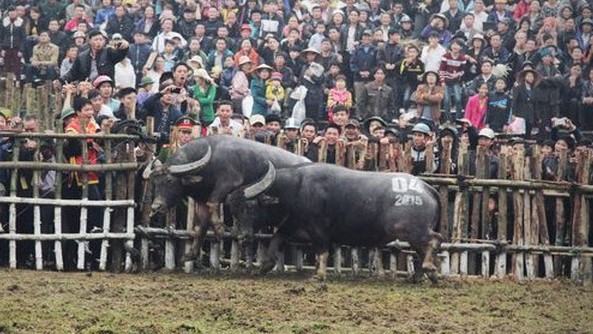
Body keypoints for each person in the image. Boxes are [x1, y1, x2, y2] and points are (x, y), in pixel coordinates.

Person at [61, 29, 129, 83]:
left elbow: (120, 55)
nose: (99, 42)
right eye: (96, 39)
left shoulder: (109, 52)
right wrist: (61, 80)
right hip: (87, 86)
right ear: (90, 41)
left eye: (101, 40)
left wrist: (124, 48)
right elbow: (73, 73)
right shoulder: (82, 56)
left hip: (104, 85)